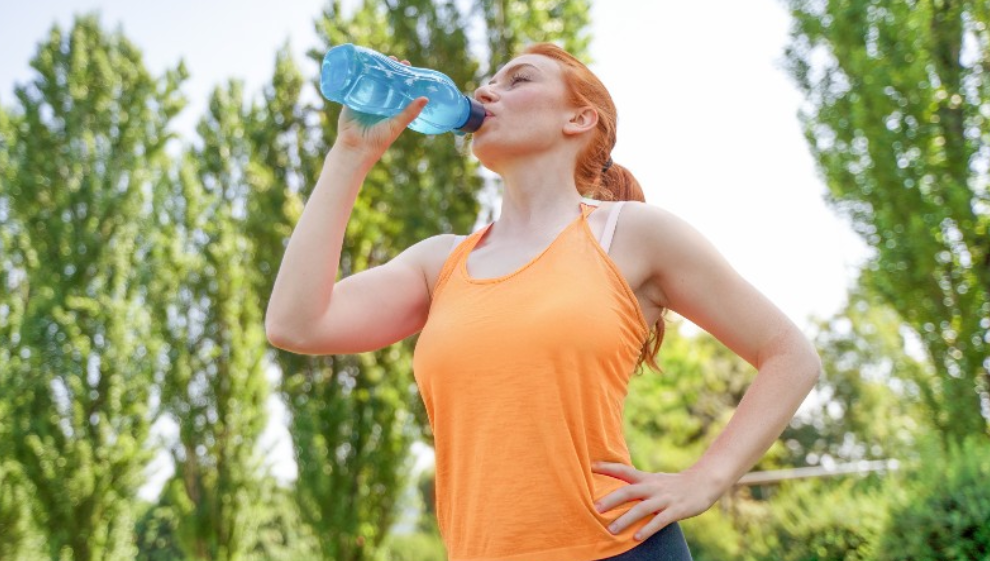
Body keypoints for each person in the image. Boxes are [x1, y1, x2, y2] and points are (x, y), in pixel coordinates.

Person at [265, 42, 822, 561]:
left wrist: (707, 477)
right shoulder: (439, 263)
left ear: (578, 119)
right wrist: (351, 153)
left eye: (518, 79)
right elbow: (296, 324)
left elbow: (790, 355)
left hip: (614, 547)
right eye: (487, 82)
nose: (485, 92)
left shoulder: (633, 235)